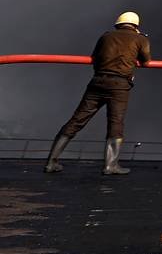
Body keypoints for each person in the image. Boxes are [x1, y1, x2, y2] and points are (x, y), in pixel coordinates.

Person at [44, 11, 152, 175]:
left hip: (97, 81)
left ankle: (51, 162)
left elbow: (95, 57)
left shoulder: (106, 36)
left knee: (77, 119)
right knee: (116, 123)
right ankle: (111, 166)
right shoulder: (140, 39)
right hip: (120, 85)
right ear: (136, 26)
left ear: (118, 24)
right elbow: (146, 60)